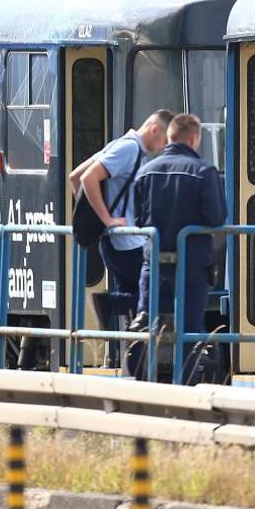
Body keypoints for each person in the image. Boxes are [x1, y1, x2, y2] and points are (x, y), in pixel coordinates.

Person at [130, 114, 227, 381]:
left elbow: (138, 220)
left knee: (149, 324)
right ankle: (185, 384)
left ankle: (142, 384)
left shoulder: (145, 171)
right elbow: (217, 219)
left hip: (154, 264)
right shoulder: (203, 171)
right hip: (192, 266)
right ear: (195, 138)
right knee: (190, 329)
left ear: (169, 137)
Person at [68, 110, 173, 349]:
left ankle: (134, 361)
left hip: (116, 243)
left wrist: (99, 219)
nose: (162, 148)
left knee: (137, 309)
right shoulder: (129, 149)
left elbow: (75, 176)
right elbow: (87, 179)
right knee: (160, 294)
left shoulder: (121, 145)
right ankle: (108, 303)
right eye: (164, 141)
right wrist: (106, 219)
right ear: (155, 129)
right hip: (127, 244)